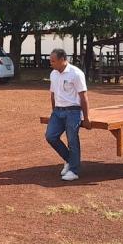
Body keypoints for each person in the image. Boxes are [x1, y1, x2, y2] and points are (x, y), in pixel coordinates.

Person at [45, 48, 90, 181]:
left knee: (72, 140)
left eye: (53, 61)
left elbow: (84, 96)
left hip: (73, 111)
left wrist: (86, 118)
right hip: (58, 111)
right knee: (50, 136)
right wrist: (54, 111)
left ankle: (74, 171)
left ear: (62, 60)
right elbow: (52, 94)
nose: (50, 63)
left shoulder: (76, 73)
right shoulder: (53, 74)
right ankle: (70, 160)